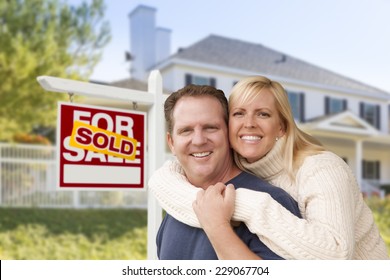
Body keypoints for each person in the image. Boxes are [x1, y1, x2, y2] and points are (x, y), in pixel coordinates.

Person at [149, 76, 389, 260]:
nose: (249, 124)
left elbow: (336, 255)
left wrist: (236, 212)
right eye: (239, 113)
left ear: (282, 127)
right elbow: (167, 178)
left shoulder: (318, 171)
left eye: (263, 114)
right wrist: (160, 180)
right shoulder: (181, 201)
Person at [156, 84, 301, 260]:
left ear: (229, 133)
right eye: (186, 130)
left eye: (210, 127)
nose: (199, 140)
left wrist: (218, 228)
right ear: (171, 143)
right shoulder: (177, 206)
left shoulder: (272, 201)